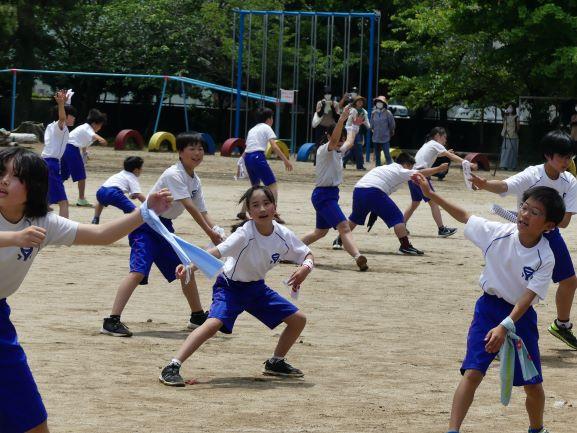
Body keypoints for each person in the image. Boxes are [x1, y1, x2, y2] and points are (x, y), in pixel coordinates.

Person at [0, 146, 171, 433]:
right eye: (1, 172)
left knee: (33, 420)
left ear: (35, 186)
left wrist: (145, 211)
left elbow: (102, 235)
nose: (4, 180)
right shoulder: (24, 230)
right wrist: (15, 237)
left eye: (15, 176)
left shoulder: (42, 222)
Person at [413, 173, 562, 433]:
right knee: (473, 372)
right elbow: (464, 216)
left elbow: (528, 298)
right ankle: (453, 431)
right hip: (488, 309)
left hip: (520, 316)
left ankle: (537, 429)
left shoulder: (545, 256)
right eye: (524, 207)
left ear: (548, 226)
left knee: (533, 385)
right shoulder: (498, 232)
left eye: (535, 212)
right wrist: (431, 194)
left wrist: (505, 325)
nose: (525, 214)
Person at [158, 185, 313, 386]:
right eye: (255, 205)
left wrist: (305, 268)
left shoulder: (283, 234)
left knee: (298, 320)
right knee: (213, 324)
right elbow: (216, 252)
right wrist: (190, 267)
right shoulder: (244, 233)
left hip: (257, 289)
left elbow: (307, 254)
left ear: (275, 207)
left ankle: (276, 362)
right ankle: (172, 366)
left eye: (266, 203)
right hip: (230, 288)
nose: (262, 209)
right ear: (249, 213)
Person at [101, 133, 224, 337]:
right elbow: (190, 207)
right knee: (138, 272)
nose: (197, 153)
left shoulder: (195, 180)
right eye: (191, 149)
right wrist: (210, 233)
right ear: (180, 152)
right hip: (145, 225)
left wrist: (216, 230)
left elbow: (202, 210)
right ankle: (111, 320)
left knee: (186, 269)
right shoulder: (173, 174)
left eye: (200, 149)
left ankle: (197, 316)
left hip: (164, 227)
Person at [470, 130, 577, 350]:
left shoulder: (570, 182)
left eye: (569, 157)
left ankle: (562, 325)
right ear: (548, 156)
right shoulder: (532, 174)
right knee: (515, 288)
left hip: (549, 233)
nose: (566, 162)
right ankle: (496, 335)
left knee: (569, 280)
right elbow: (506, 186)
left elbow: (564, 222)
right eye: (562, 156)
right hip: (522, 234)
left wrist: (544, 223)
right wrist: (485, 184)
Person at [333, 152, 449, 255]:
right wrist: (438, 169)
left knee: (355, 218)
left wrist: (374, 210)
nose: (410, 169)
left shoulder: (385, 168)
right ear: (406, 164)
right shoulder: (400, 170)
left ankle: (339, 240)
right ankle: (405, 246)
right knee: (397, 218)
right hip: (374, 191)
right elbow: (419, 173)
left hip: (359, 190)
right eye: (410, 167)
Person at [300, 106, 368, 271]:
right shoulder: (325, 150)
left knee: (320, 232)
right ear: (329, 136)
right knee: (344, 227)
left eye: (341, 139)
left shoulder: (338, 151)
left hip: (329, 195)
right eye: (337, 138)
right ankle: (358, 257)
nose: (340, 141)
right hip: (323, 195)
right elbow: (335, 139)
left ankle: (287, 250)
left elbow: (350, 141)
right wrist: (342, 119)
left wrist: (354, 125)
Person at [403, 126, 476, 237]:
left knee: (415, 203)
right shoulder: (434, 143)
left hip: (413, 175)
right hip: (420, 175)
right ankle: (441, 229)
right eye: (444, 137)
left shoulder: (428, 144)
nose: (445, 140)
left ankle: (401, 225)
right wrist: (467, 163)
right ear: (437, 136)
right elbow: (450, 156)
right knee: (434, 202)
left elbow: (436, 154)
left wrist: (446, 153)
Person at [243, 107, 293, 207]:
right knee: (272, 185)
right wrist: (285, 160)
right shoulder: (267, 127)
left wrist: (241, 164)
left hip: (248, 157)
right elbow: (274, 146)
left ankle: (243, 211)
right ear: (269, 119)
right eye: (272, 118)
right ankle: (274, 211)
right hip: (258, 156)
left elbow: (246, 149)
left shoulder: (252, 130)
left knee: (255, 187)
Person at [61, 108, 108, 207]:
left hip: (66, 149)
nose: (100, 127)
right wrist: (101, 139)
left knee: (63, 175)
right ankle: (81, 199)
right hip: (71, 149)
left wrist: (84, 153)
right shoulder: (88, 128)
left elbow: (83, 143)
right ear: (95, 124)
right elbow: (93, 135)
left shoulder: (85, 128)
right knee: (81, 176)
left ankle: (50, 194)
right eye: (100, 125)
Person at [41, 90, 76, 219]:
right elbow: (62, 118)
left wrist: (65, 102)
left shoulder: (52, 126)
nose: (74, 118)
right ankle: (64, 231)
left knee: (46, 201)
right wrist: (62, 104)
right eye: (71, 115)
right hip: (51, 164)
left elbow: (62, 115)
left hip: (46, 162)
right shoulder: (59, 126)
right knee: (63, 202)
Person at [92, 156, 145, 224]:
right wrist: (149, 204)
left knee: (100, 201)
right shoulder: (132, 177)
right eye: (141, 168)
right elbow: (138, 194)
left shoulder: (121, 173)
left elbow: (133, 194)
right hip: (113, 193)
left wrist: (133, 195)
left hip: (101, 191)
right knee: (134, 212)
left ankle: (96, 219)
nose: (142, 170)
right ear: (136, 170)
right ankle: (124, 226)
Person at [342, 95, 370, 171]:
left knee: (353, 148)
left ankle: (342, 162)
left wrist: (370, 128)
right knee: (357, 147)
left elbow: (366, 121)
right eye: (358, 101)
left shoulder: (364, 111)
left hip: (357, 131)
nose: (360, 102)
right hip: (350, 130)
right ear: (356, 102)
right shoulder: (353, 110)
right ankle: (359, 166)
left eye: (361, 101)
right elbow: (351, 121)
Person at [370, 96, 396, 166]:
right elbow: (371, 124)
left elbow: (392, 124)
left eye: (381, 102)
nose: (379, 103)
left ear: (384, 103)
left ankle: (390, 168)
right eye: (378, 102)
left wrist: (391, 131)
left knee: (387, 154)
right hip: (376, 137)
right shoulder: (373, 113)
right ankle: (377, 169)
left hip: (385, 137)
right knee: (377, 156)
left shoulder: (388, 113)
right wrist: (372, 129)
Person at [499, 103, 520, 171]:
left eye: (510, 107)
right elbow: (503, 125)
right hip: (506, 135)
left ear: (513, 109)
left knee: (512, 151)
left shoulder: (516, 117)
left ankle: (511, 165)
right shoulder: (505, 117)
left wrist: (514, 131)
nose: (509, 108)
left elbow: (518, 127)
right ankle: (503, 165)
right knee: (505, 150)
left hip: (513, 136)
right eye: (508, 107)